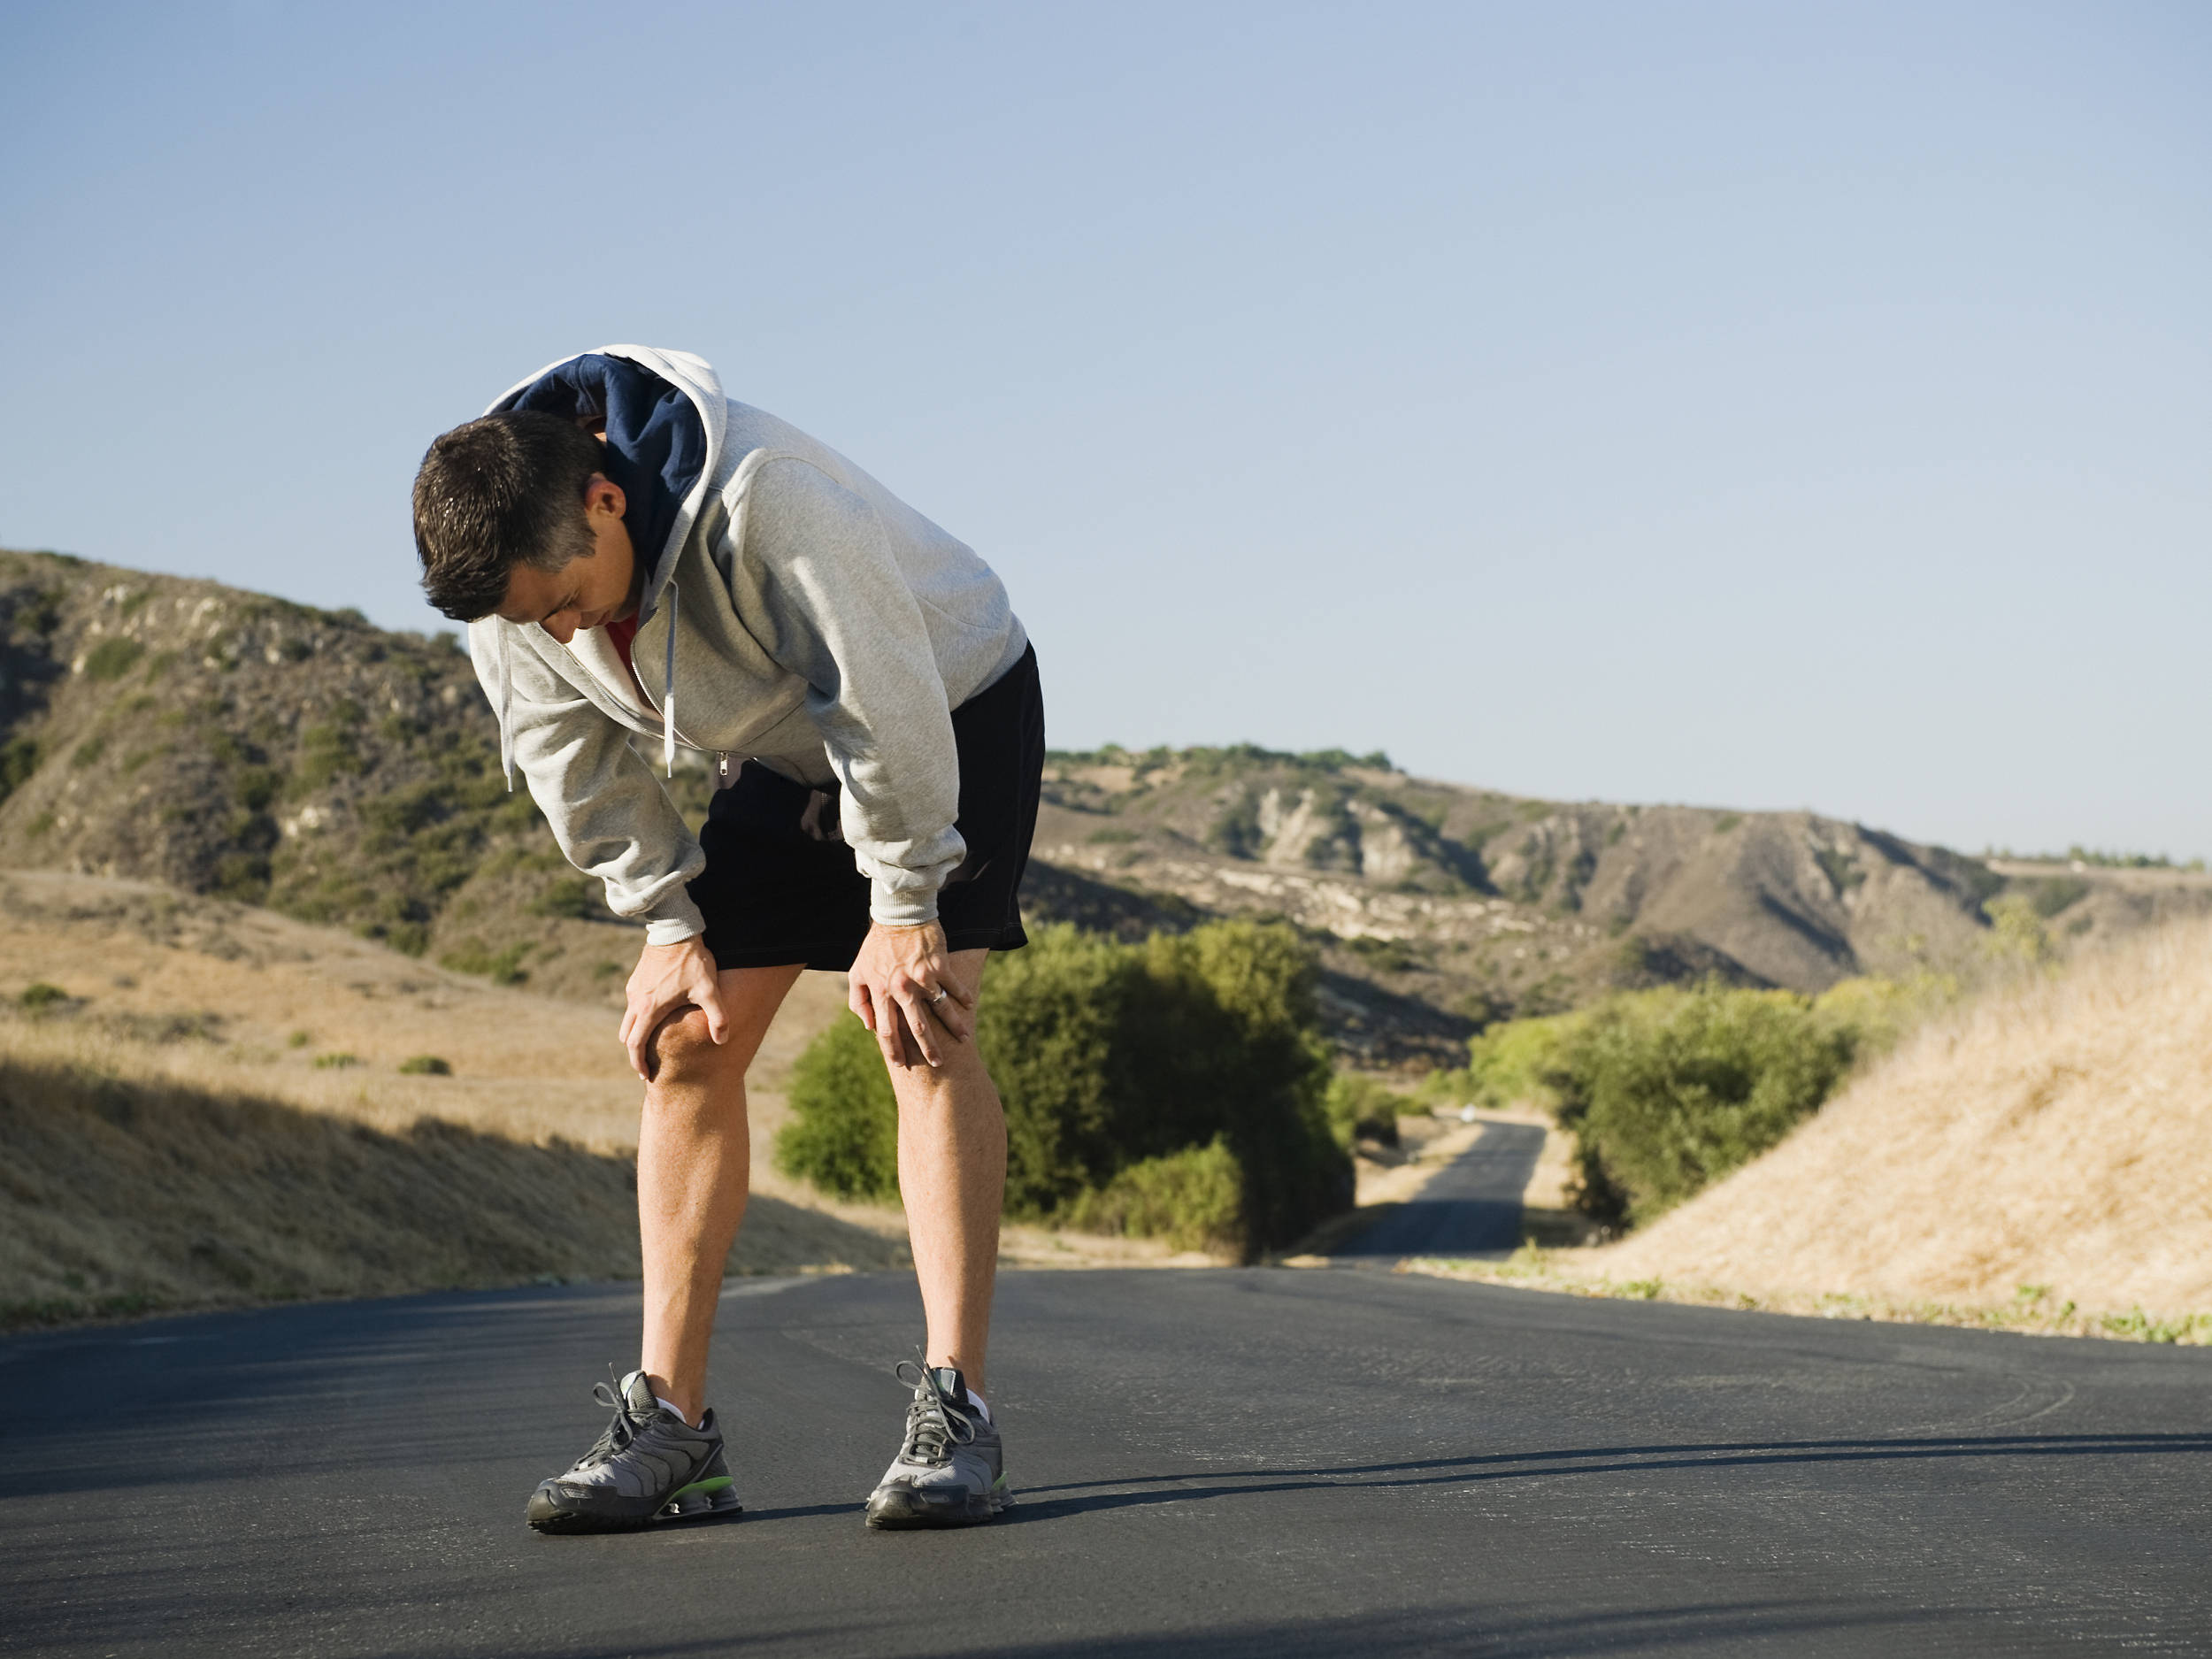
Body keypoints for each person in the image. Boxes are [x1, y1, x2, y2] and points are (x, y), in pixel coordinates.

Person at [410, 345, 1041, 1533]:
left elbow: (880, 697)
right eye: (530, 618)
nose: (557, 627)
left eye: (564, 597)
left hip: (942, 699)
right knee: (689, 1041)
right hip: (784, 742)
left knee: (917, 1027)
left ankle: (959, 1418)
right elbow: (570, 759)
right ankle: (673, 1434)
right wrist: (664, 918)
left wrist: (904, 904)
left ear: (605, 498)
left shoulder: (770, 497)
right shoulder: (511, 567)